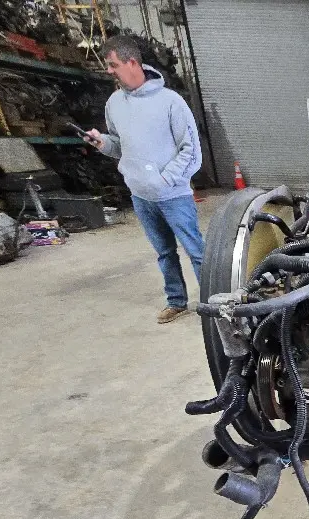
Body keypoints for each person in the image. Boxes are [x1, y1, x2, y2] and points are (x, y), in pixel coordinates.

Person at [85, 35, 205, 324]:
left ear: (132, 62)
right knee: (164, 253)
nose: (109, 71)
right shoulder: (115, 103)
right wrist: (102, 143)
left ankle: (215, 302)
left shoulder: (170, 102)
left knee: (196, 251)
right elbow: (119, 146)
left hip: (173, 196)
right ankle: (176, 301)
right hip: (140, 196)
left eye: (113, 64)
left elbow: (191, 151)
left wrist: (165, 180)